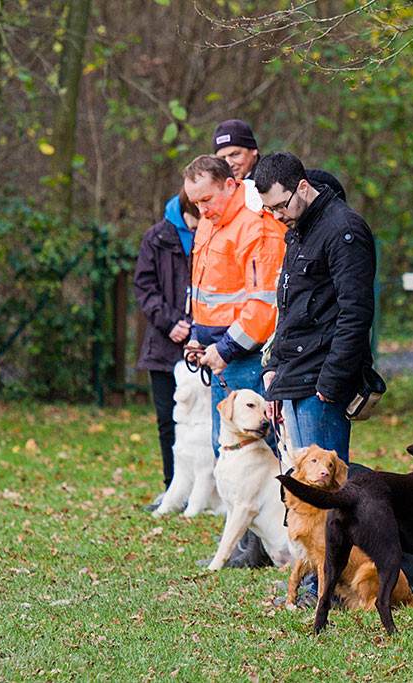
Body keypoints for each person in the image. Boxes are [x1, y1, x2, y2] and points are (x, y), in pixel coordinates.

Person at [182, 154, 286, 568]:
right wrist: (196, 334)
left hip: (244, 354)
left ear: (229, 184)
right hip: (216, 352)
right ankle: (251, 541)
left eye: (206, 199)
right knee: (225, 445)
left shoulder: (256, 225)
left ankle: (266, 543)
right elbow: (204, 286)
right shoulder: (212, 219)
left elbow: (262, 306)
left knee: (260, 447)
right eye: (195, 204)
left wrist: (223, 349)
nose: (201, 210)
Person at [252, 152, 375, 463]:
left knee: (325, 490)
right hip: (294, 377)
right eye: (270, 209)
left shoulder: (343, 230)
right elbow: (290, 305)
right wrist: (274, 369)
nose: (277, 216)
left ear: (303, 187)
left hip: (321, 384)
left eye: (281, 205)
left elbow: (356, 314)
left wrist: (330, 383)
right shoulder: (299, 229)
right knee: (303, 485)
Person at [133, 188, 199, 508]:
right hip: (163, 345)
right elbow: (145, 287)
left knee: (205, 420)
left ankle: (205, 490)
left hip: (203, 344)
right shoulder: (156, 237)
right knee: (167, 420)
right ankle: (172, 487)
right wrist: (171, 322)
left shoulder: (217, 231)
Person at [212, 118, 348, 208]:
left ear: (253, 150)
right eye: (222, 158)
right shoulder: (219, 190)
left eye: (235, 154)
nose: (229, 163)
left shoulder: (277, 176)